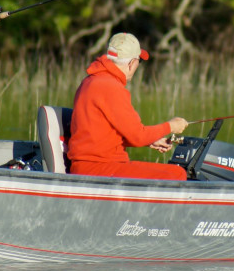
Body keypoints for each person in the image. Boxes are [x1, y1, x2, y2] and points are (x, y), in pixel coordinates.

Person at [67, 33, 189, 180]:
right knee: (177, 174)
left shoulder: (89, 81)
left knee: (175, 172)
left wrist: (151, 140)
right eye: (139, 61)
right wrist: (171, 126)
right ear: (132, 63)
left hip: (90, 166)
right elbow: (138, 135)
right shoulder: (110, 87)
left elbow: (104, 136)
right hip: (99, 168)